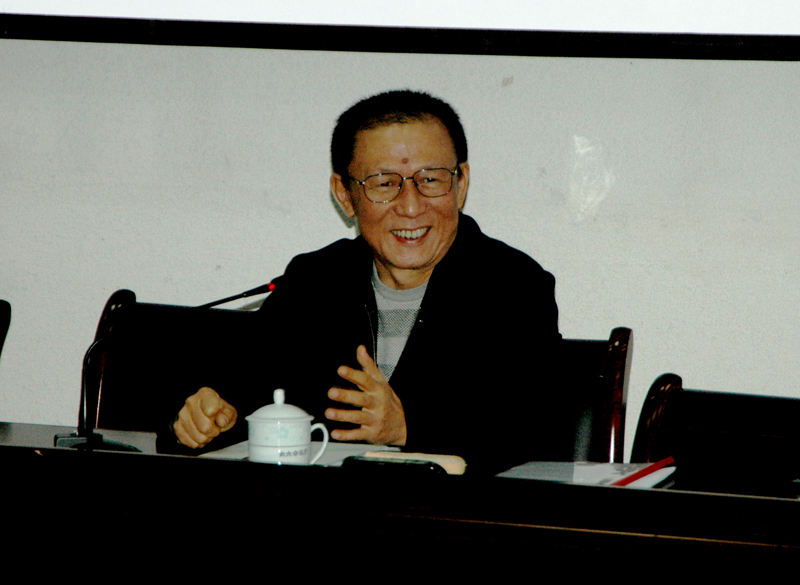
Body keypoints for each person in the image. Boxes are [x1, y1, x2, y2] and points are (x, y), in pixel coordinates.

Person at [169, 90, 567, 474]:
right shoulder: (314, 283)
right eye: (384, 183)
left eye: (430, 179)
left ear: (460, 184)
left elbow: (540, 434)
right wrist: (202, 419)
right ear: (344, 195)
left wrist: (408, 428)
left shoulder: (514, 288)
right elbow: (236, 392)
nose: (410, 206)